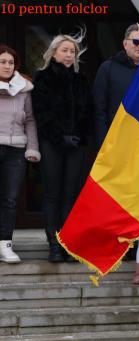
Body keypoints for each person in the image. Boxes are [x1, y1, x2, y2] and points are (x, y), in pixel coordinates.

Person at [32, 31, 92, 263]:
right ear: (54, 52)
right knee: (52, 195)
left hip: (76, 145)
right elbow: (41, 113)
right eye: (65, 50)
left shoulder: (80, 80)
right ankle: (54, 245)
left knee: (71, 195)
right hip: (52, 144)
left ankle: (68, 244)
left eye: (72, 52)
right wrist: (60, 137)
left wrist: (80, 136)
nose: (69, 55)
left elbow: (87, 111)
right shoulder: (42, 77)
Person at [0, 45, 40, 263]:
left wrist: (32, 148)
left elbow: (31, 120)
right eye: (3, 62)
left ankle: (5, 245)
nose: (7, 66)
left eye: (11, 62)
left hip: (16, 150)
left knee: (10, 199)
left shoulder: (23, 89)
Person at [93, 23, 139, 147]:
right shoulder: (108, 68)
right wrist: (102, 144)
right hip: (116, 141)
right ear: (125, 44)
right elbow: (99, 110)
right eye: (136, 41)